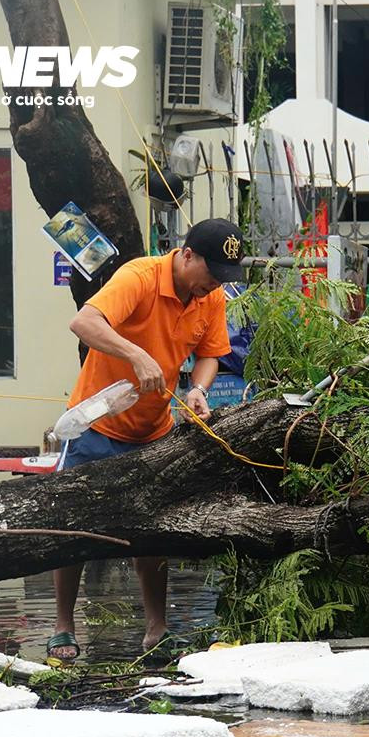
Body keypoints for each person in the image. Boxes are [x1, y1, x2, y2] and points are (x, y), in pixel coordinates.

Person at [48, 218, 240, 662]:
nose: (215, 284)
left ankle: (157, 629)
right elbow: (84, 322)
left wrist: (198, 389)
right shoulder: (140, 276)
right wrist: (135, 354)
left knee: (153, 533)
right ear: (187, 255)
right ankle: (62, 627)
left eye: (222, 277)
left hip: (154, 431)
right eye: (211, 272)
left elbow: (211, 354)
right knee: (71, 528)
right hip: (96, 426)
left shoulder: (209, 296)